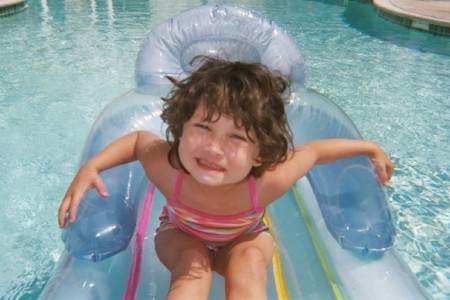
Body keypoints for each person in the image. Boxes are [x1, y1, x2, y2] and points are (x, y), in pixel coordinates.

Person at [58, 57, 394, 300]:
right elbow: (137, 142)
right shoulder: (169, 169)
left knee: (247, 270)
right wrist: (91, 167)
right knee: (193, 269)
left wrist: (370, 148)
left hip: (244, 237)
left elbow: (316, 151)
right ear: (180, 127)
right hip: (181, 233)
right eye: (203, 127)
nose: (214, 149)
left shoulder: (267, 183)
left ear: (259, 153)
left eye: (236, 138)